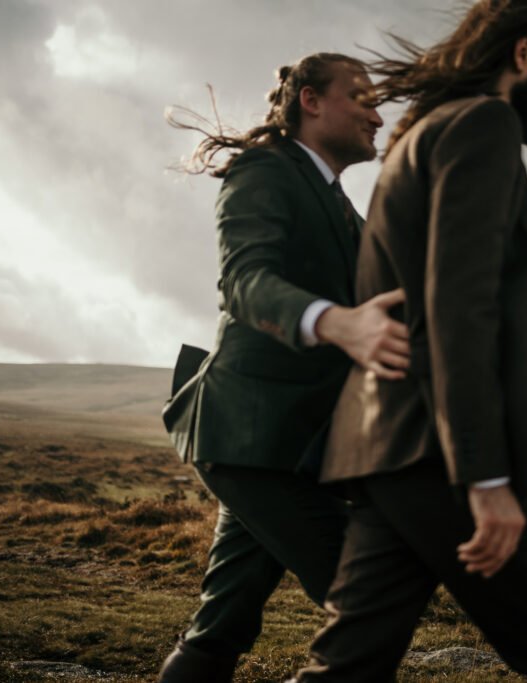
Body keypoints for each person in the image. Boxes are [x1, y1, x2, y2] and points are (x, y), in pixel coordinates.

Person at [292, 2, 527, 681]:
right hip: (439, 455)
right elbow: (457, 303)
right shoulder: (484, 122)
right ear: (522, 55)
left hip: (389, 446)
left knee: (347, 667)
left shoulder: (426, 131)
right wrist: (487, 478)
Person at [158, 53, 410, 683]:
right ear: (310, 99)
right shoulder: (264, 170)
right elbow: (244, 281)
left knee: (222, 627)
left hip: (285, 445)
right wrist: (336, 321)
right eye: (362, 97)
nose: (378, 115)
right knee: (370, 602)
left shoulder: (339, 203)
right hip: (249, 434)